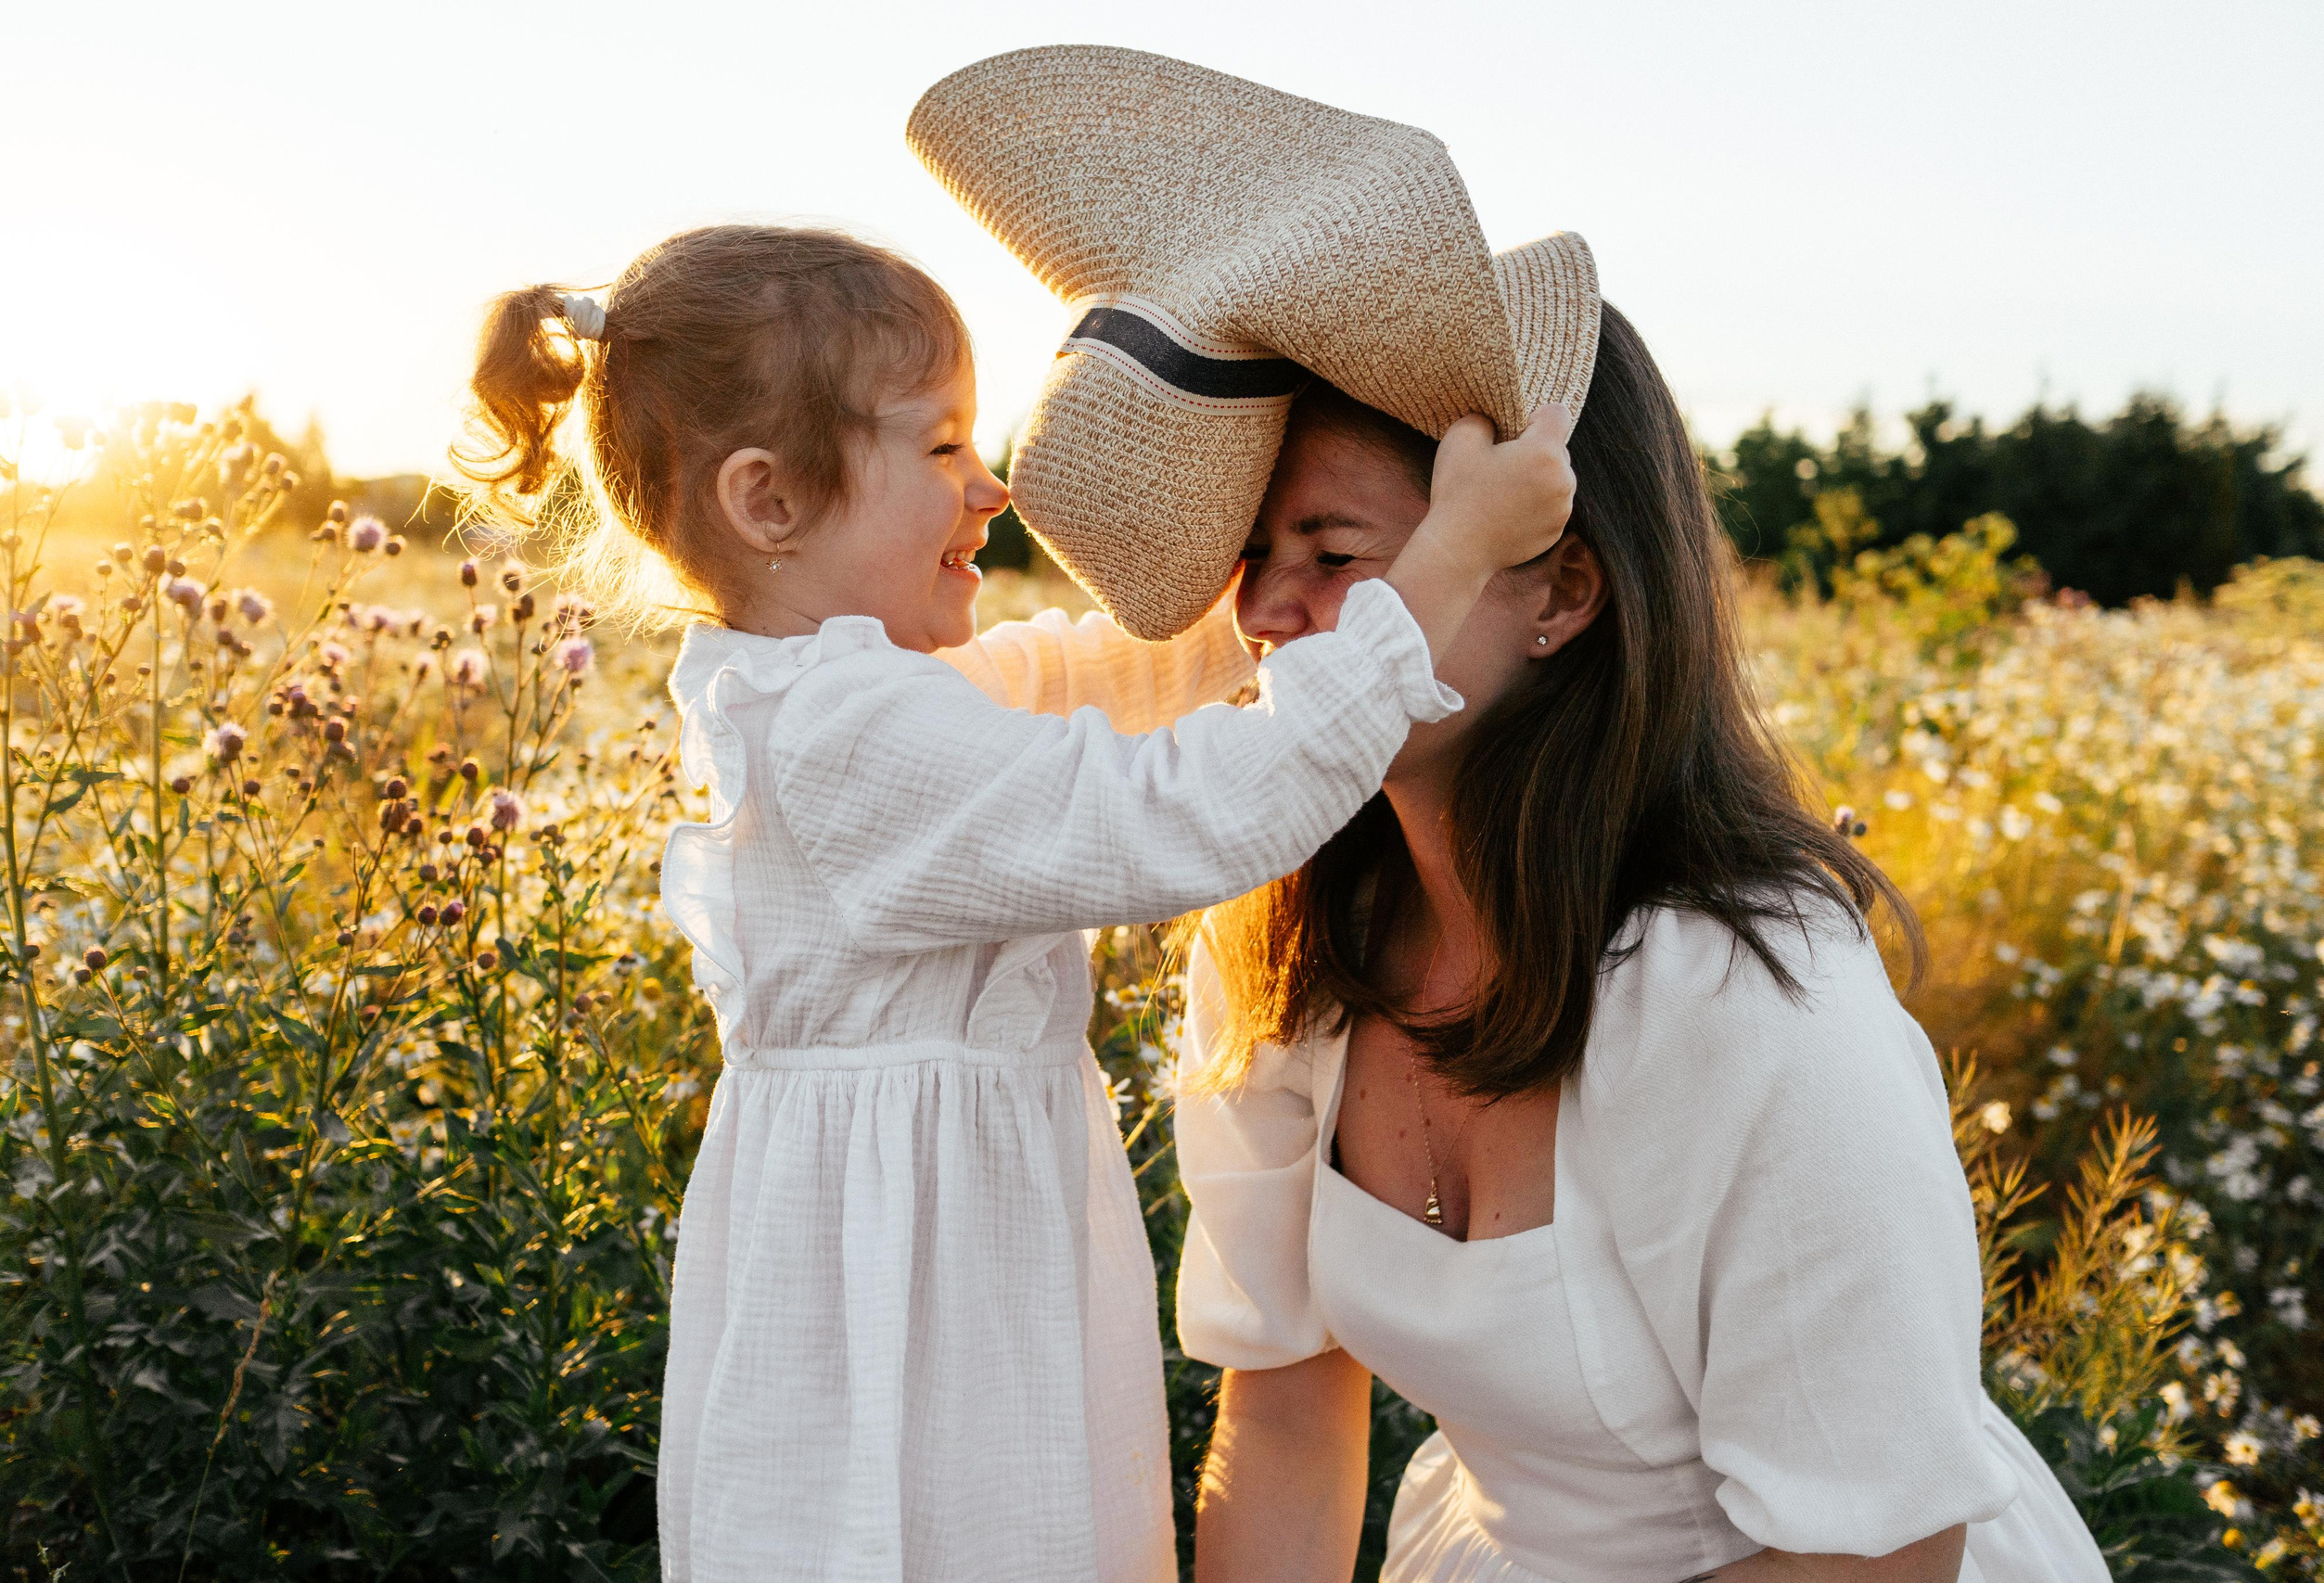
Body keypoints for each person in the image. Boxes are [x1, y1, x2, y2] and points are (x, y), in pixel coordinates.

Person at [452, 222, 1576, 1583]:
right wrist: (1442, 563)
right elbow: (1190, 814)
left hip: (958, 1260)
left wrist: (1267, 603)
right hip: (908, 1320)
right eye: (940, 449)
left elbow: (1087, 675)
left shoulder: (870, 697)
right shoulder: (840, 743)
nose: (990, 488)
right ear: (769, 503)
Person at [1171, 309, 2113, 1582]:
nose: (1267, 615)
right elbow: (1283, 1420)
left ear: (1561, 591)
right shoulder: (1281, 944)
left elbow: (1879, 1556)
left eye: (1336, 554)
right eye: (1251, 551)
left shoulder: (1746, 999)